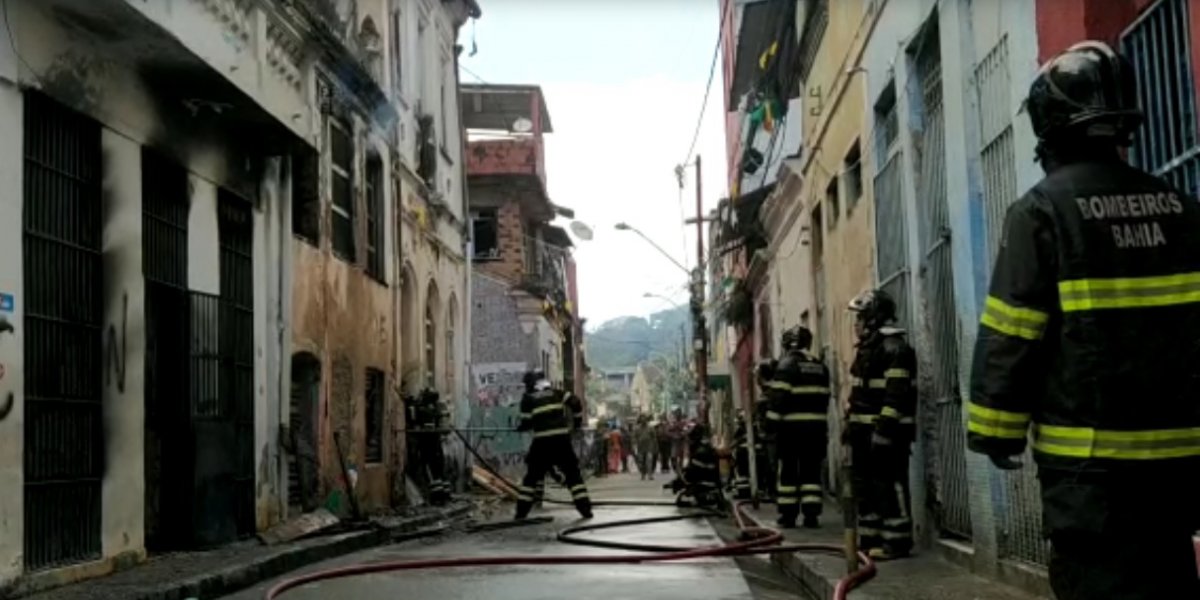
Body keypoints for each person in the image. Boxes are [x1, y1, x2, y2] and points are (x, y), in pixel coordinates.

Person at [967, 41, 1200, 600]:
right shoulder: (1181, 207)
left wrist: (994, 430)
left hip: (1090, 478)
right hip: (1179, 473)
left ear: (1050, 126)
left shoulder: (1041, 212)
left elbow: (1012, 331)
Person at [845, 289, 917, 560]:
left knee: (890, 484)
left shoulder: (894, 348)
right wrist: (849, 428)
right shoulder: (868, 349)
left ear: (873, 317)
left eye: (860, 317)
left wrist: (884, 432)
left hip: (887, 434)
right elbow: (859, 395)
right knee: (867, 488)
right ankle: (870, 538)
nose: (857, 324)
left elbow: (896, 395)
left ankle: (897, 542)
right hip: (863, 434)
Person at [761, 325, 830, 529]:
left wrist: (769, 427)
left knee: (789, 473)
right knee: (812, 474)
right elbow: (825, 399)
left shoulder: (786, 366)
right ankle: (811, 516)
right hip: (816, 431)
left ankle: (788, 516)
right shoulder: (820, 367)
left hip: (791, 432)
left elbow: (777, 401)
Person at [514, 370, 592, 520]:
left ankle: (521, 513)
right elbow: (575, 403)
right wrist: (576, 423)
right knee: (573, 476)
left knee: (531, 478)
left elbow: (527, 423)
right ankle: (585, 510)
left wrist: (519, 428)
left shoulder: (527, 399)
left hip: (542, 443)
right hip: (562, 441)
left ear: (531, 385)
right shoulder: (557, 393)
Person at [406, 387, 451, 505]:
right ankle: (445, 495)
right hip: (437, 441)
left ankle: (436, 497)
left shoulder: (422, 409)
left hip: (426, 441)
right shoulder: (437, 408)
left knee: (429, 468)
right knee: (439, 468)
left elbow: (413, 421)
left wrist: (409, 401)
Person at [668, 424, 722, 509]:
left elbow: (692, 473)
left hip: (706, 483)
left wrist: (681, 481)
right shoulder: (706, 448)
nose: (689, 443)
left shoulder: (700, 452)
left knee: (682, 501)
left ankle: (699, 501)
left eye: (690, 440)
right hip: (710, 481)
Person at [634, 416, 657, 480]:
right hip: (640, 447)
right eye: (642, 419)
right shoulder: (637, 428)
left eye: (644, 419)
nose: (643, 420)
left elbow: (654, 437)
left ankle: (650, 475)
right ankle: (643, 474)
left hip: (649, 447)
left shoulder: (650, 427)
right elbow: (634, 437)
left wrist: (654, 445)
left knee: (649, 461)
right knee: (641, 462)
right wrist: (635, 445)